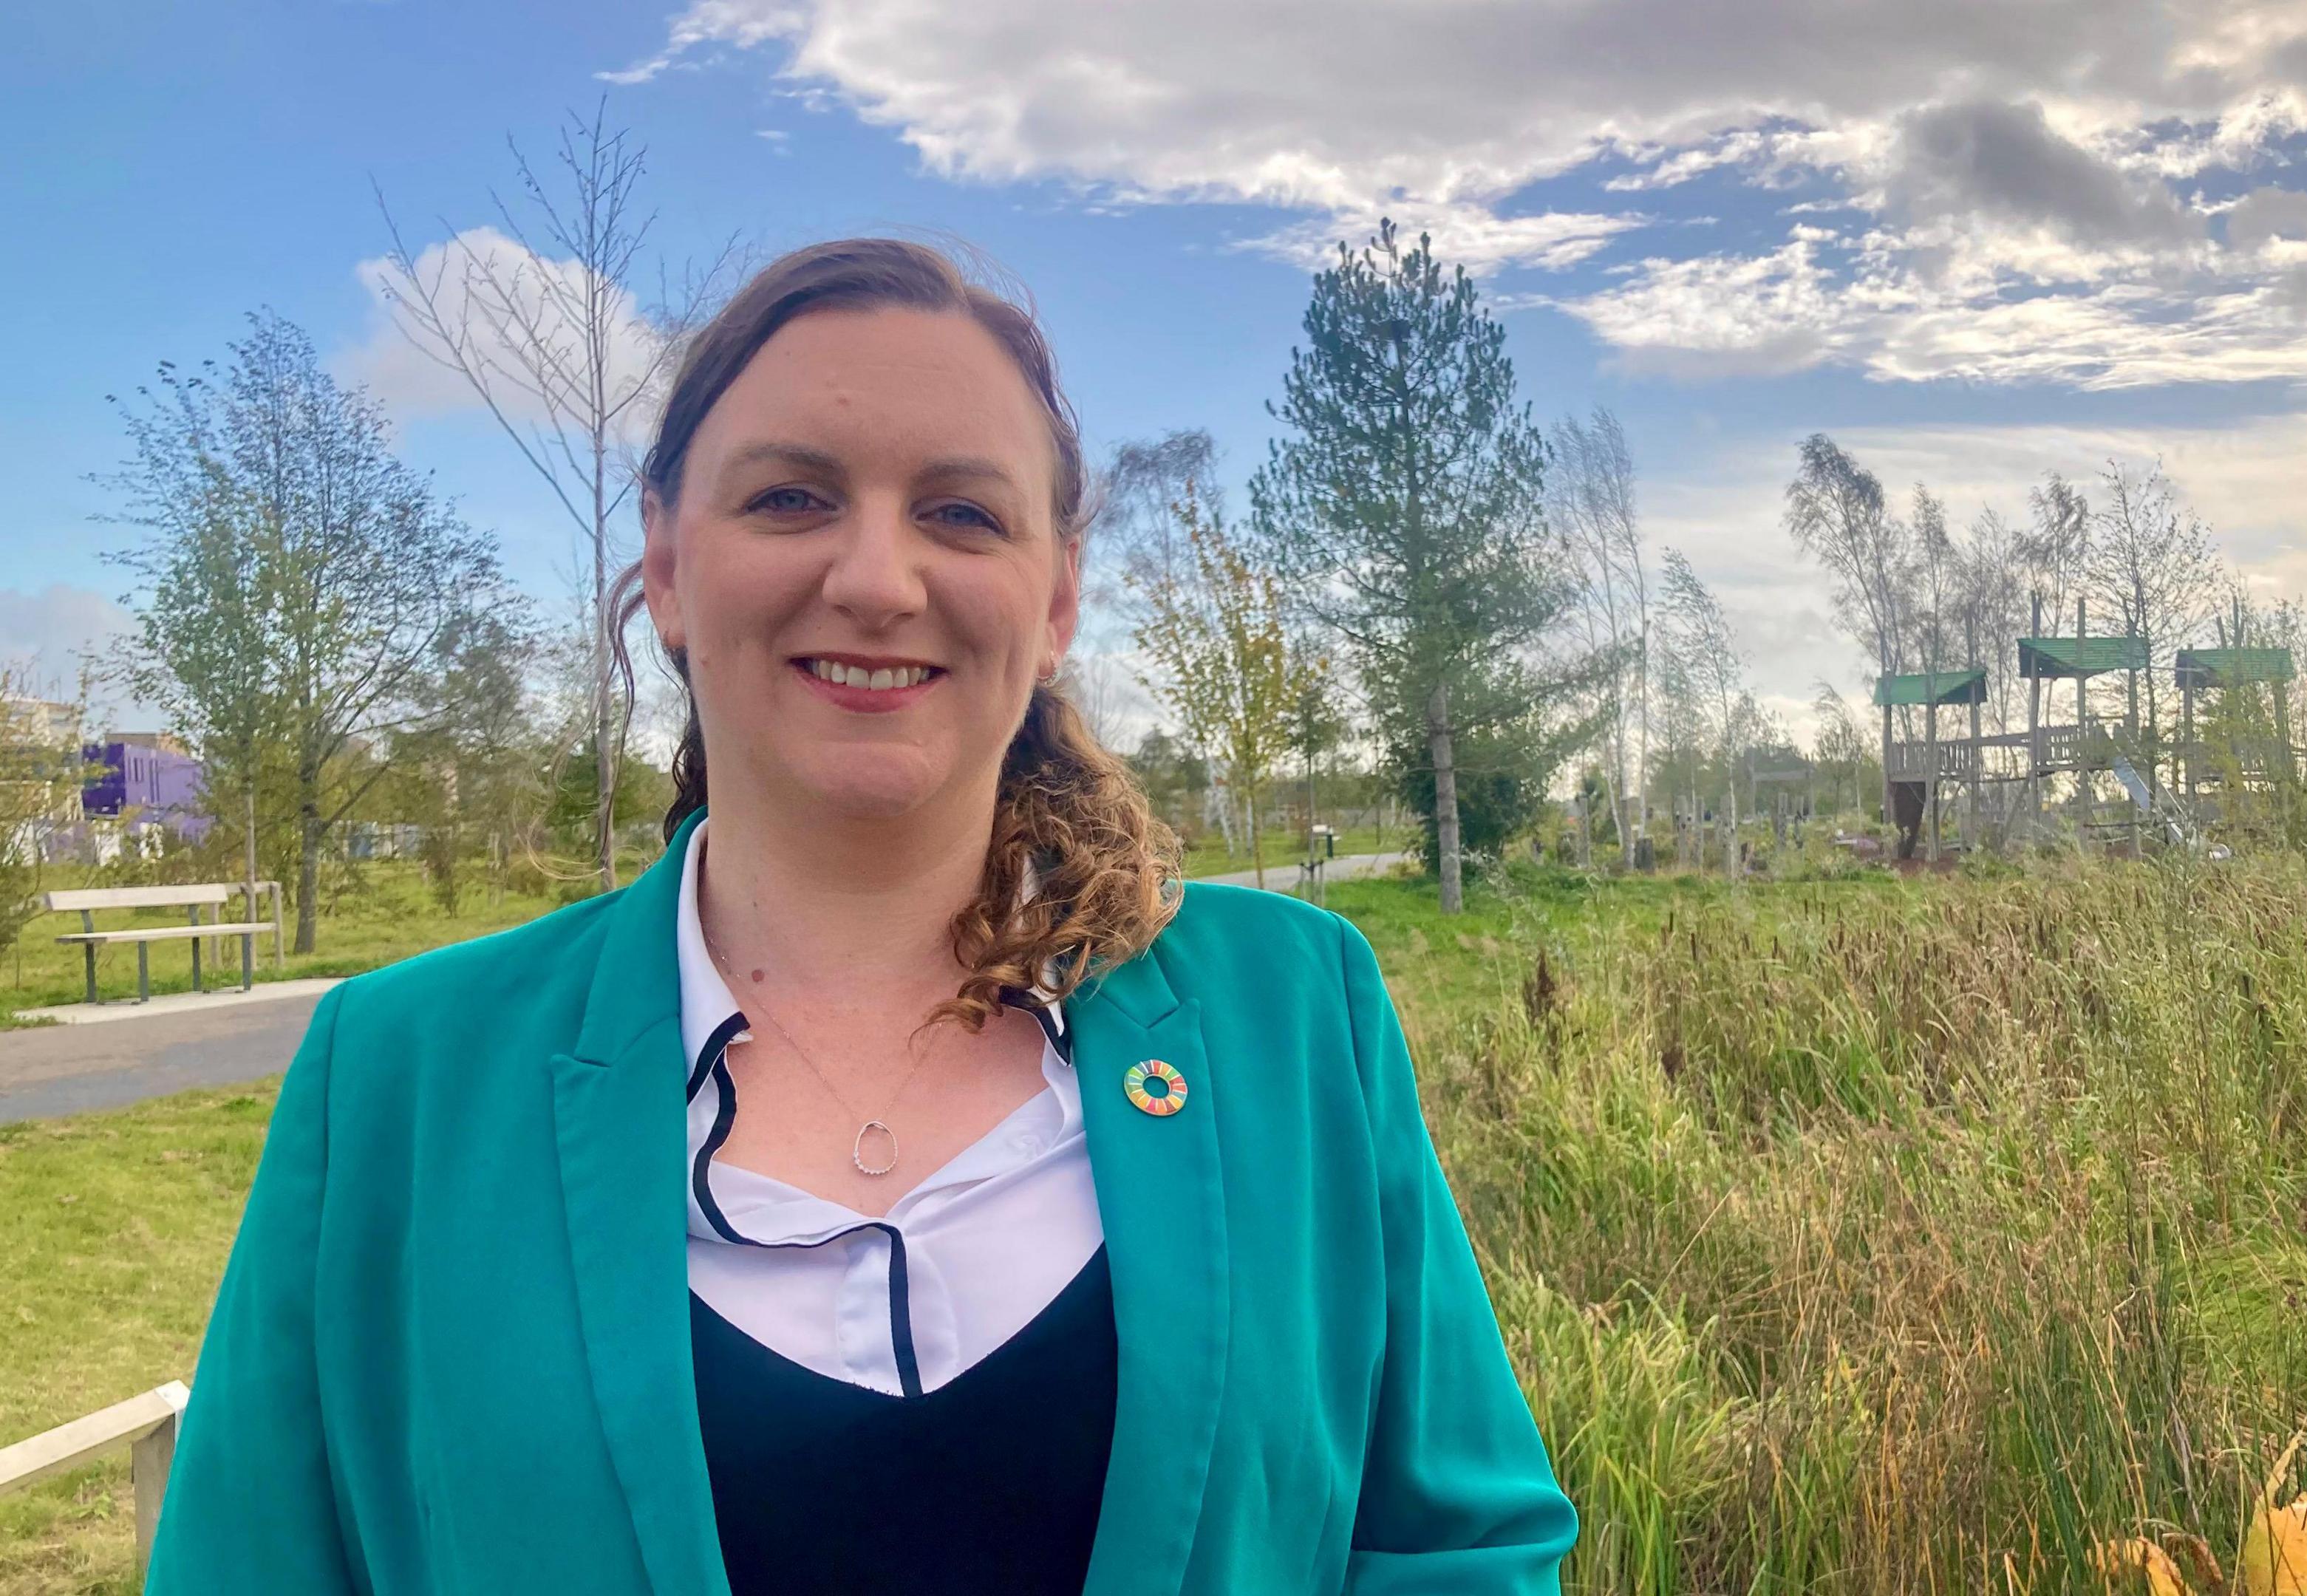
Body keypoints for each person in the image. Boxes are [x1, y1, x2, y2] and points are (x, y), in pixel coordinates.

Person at [146, 237, 1577, 1595]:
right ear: (665, 563)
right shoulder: (396, 1080)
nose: (880, 580)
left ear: (1059, 593)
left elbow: (1463, 1545)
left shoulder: (1300, 1017)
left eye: (960, 512)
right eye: (791, 498)